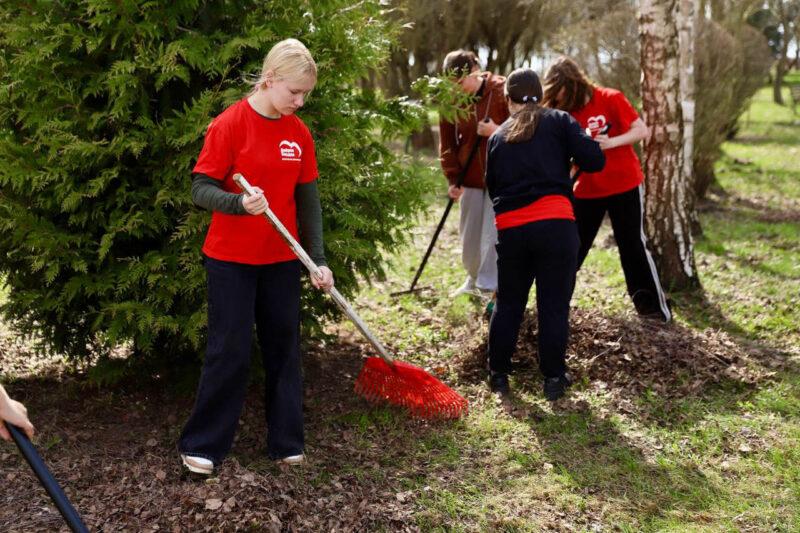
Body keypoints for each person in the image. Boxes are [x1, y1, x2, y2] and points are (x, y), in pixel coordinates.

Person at [178, 38, 333, 475]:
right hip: (231, 260)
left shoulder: (298, 133)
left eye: (305, 94)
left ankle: (286, 442)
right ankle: (203, 446)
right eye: (294, 93)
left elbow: (309, 202)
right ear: (269, 80)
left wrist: (317, 258)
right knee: (229, 350)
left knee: (284, 347)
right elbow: (200, 187)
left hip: (282, 261)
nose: (299, 102)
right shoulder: (229, 125)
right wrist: (237, 204)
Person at [485, 68, 604, 400]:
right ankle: (553, 380)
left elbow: (491, 186)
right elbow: (595, 160)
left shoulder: (497, 137)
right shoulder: (559, 121)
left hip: (512, 230)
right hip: (556, 226)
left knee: (509, 304)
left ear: (508, 100)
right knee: (553, 306)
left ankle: (498, 376)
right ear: (541, 96)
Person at [542, 56, 672, 322]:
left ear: (573, 82)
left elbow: (641, 131)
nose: (559, 97)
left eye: (561, 90)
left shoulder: (610, 97)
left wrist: (610, 143)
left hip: (624, 183)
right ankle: (555, 309)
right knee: (572, 249)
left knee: (632, 246)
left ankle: (654, 311)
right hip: (587, 190)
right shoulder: (564, 113)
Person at [438, 50, 509, 297]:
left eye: (460, 82)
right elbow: (447, 143)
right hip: (469, 177)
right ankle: (473, 277)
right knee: (469, 237)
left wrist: (496, 130)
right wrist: (452, 177)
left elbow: (524, 128)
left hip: (500, 177)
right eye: (451, 84)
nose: (456, 88)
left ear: (475, 71)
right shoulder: (450, 101)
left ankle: (488, 285)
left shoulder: (501, 90)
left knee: (491, 234)